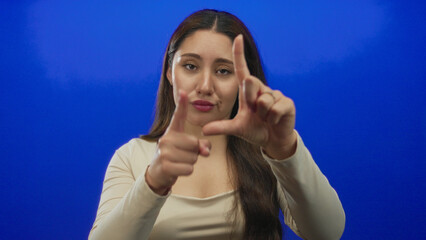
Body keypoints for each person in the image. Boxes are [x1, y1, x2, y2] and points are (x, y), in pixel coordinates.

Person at [89, 9, 345, 240]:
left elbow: (328, 232)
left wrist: (284, 148)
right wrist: (153, 182)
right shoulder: (132, 157)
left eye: (223, 71)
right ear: (169, 72)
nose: (205, 86)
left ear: (243, 80)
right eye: (190, 66)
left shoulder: (269, 152)